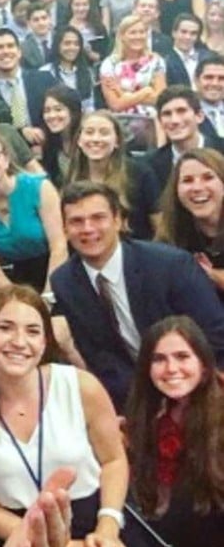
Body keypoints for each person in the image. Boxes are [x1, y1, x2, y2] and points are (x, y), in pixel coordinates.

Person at [0, 284, 147, 547]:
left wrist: (108, 528)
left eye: (32, 331)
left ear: (44, 343)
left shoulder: (81, 385)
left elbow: (113, 460)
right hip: (19, 535)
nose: (19, 341)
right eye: (5, 328)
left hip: (95, 523)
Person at [51, 180, 224, 410]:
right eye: (76, 221)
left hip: (199, 386)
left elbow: (215, 335)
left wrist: (183, 389)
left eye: (98, 217)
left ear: (118, 221)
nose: (88, 229)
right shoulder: (65, 282)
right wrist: (142, 404)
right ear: (64, 229)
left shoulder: (170, 265)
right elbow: (100, 358)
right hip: (134, 399)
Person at [125, 316, 224, 547]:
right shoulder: (146, 419)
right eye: (159, 359)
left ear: (203, 364)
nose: (171, 368)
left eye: (182, 356)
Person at [0, 132, 66, 292]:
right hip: (17, 280)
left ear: (6, 160)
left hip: (58, 272)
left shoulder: (39, 187)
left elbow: (59, 246)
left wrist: (49, 294)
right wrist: (16, 297)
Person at [65, 111, 161, 240]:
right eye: (89, 132)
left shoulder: (140, 174)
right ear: (79, 141)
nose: (96, 139)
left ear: (117, 142)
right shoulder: (70, 176)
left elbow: (159, 226)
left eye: (104, 133)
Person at [156, 147, 224, 296]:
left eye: (208, 177)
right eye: (187, 180)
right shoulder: (170, 234)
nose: (197, 187)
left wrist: (211, 275)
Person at [99, 14, 167, 150]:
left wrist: (123, 94)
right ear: (122, 36)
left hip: (153, 124)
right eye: (133, 32)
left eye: (142, 32)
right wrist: (146, 91)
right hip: (121, 123)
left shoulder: (156, 61)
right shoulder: (109, 64)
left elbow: (160, 99)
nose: (138, 36)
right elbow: (115, 105)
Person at [148, 86, 224, 192]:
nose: (174, 120)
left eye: (181, 111)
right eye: (167, 114)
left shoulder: (221, 149)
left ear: (199, 116)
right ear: (160, 121)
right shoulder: (150, 165)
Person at [40, 26, 95, 111]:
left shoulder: (86, 72)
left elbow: (89, 105)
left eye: (76, 44)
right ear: (58, 46)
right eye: (67, 43)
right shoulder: (45, 72)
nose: (72, 48)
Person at [38, 85, 84, 188]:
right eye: (47, 111)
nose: (52, 115)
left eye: (58, 109)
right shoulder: (50, 144)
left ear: (73, 111)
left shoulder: (86, 141)